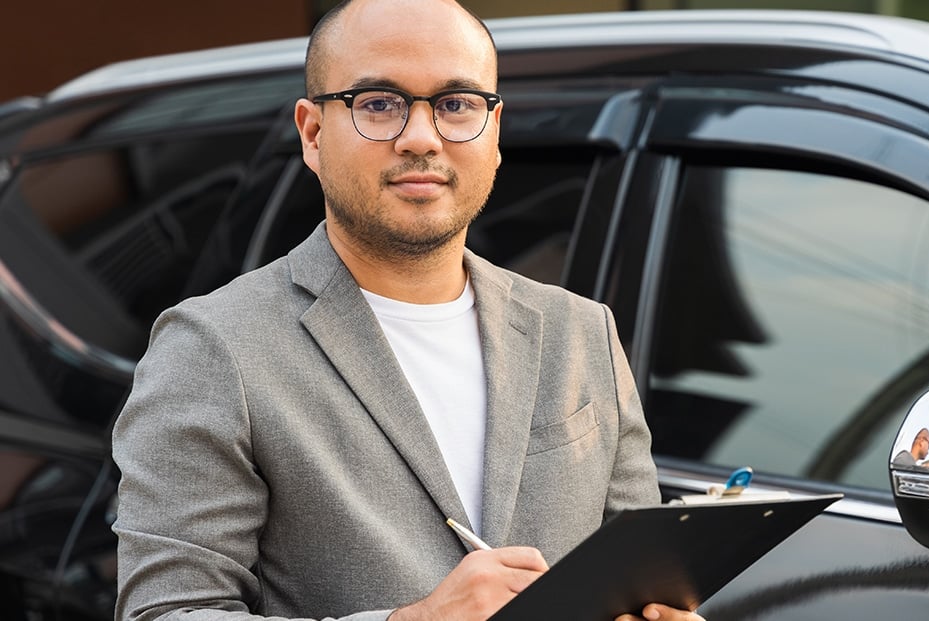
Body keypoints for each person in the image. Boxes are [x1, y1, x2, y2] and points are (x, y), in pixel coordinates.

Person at [110, 1, 704, 620]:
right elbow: (167, 612)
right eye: (378, 103)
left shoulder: (580, 331)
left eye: (456, 104)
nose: (421, 138)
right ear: (313, 134)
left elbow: (641, 577)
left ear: (494, 132)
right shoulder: (213, 346)